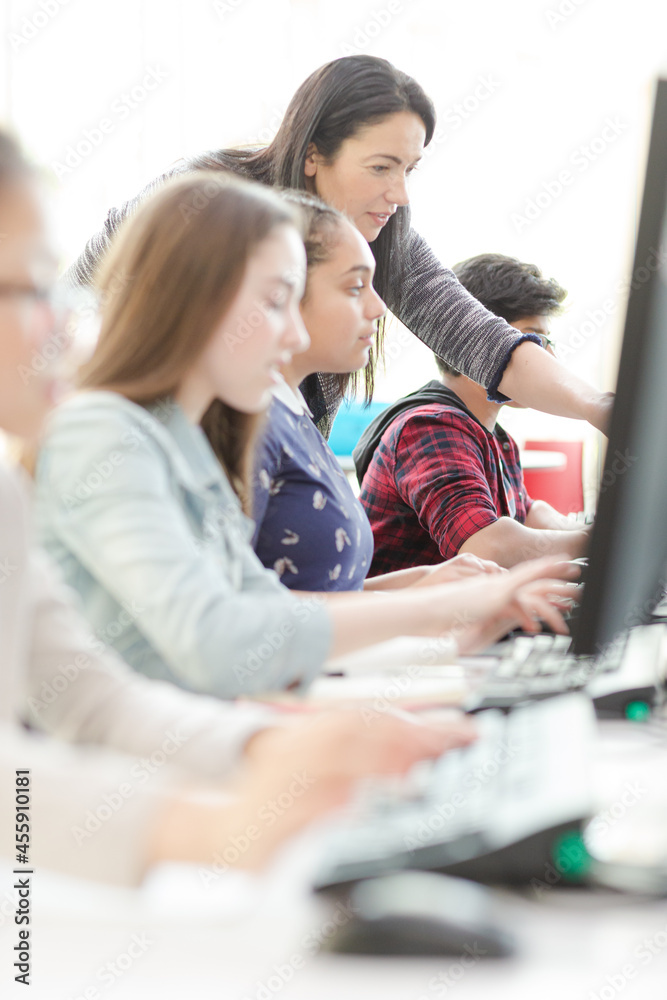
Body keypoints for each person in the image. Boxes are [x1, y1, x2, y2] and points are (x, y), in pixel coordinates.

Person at [0, 129, 478, 886]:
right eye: (32, 288)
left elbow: (93, 699)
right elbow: (214, 640)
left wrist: (275, 747)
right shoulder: (102, 435)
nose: (63, 321)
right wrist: (214, 827)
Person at [35, 172, 578, 700]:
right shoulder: (104, 435)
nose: (294, 334)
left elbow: (270, 618)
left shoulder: (187, 444)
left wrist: (453, 638)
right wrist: (438, 611)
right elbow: (219, 642)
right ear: (199, 298)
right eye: (276, 302)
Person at [64, 55, 612, 438]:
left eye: (409, 169)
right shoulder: (205, 199)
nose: (399, 194)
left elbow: (480, 337)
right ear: (313, 154)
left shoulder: (381, 231)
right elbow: (74, 310)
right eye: (381, 167)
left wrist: (598, 407)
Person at [252, 191, 498, 591]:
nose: (379, 307)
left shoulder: (297, 414)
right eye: (355, 287)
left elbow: (320, 591)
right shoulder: (250, 423)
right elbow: (246, 611)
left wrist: (425, 583)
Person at [355, 254, 591, 573]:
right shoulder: (431, 427)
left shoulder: (493, 435)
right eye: (534, 340)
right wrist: (594, 542)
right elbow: (486, 546)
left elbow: (527, 512)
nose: (549, 358)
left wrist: (593, 530)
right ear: (481, 340)